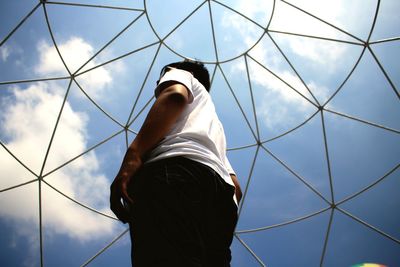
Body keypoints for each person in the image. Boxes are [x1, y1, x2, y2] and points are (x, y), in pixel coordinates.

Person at [110, 59, 242, 267]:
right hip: (222, 201)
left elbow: (175, 95)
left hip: (174, 174)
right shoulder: (214, 126)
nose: (159, 84)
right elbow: (236, 188)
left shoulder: (181, 75)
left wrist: (134, 155)